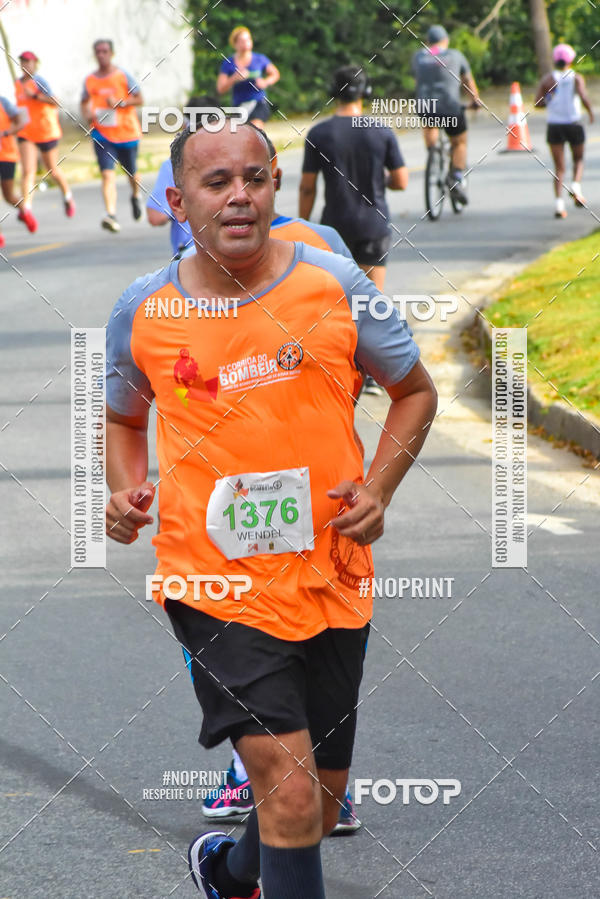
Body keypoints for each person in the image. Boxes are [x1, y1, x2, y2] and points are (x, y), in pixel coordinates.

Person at [105, 118, 437, 899]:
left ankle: (226, 871)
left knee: (315, 805)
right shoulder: (142, 310)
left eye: (253, 178)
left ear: (276, 185)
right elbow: (124, 417)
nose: (239, 196)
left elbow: (415, 392)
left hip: (330, 568)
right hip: (213, 576)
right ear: (179, 202)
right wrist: (124, 490)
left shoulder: (337, 284)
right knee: (287, 791)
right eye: (216, 183)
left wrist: (380, 487)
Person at [199, 132, 360, 836]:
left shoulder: (313, 251)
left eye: (255, 177)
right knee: (252, 626)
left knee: (307, 631)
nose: (242, 194)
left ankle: (286, 784)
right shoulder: (196, 266)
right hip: (245, 490)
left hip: (301, 489)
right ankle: (261, 771)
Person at [299, 64, 408, 395]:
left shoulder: (319, 134)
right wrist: (378, 180)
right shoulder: (381, 131)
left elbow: (307, 188)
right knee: (371, 301)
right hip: (373, 226)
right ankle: (374, 374)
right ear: (366, 93)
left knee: (335, 300)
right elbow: (401, 181)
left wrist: (304, 226)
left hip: (334, 227)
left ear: (333, 93)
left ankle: (335, 366)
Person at [412, 25, 481, 206]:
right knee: (459, 143)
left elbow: (418, 80)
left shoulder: (419, 56)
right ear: (446, 40)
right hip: (450, 107)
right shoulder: (456, 55)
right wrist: (475, 101)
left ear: (428, 42)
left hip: (425, 106)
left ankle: (433, 154)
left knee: (429, 121)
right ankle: (456, 177)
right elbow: (467, 81)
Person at [81, 39, 143, 233]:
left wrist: (120, 102)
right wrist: (87, 114)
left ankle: (135, 196)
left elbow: (139, 98)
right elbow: (84, 102)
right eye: (98, 52)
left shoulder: (122, 75)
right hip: (102, 133)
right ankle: (111, 214)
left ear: (112, 53)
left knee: (131, 173)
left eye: (105, 51)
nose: (101, 55)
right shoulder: (90, 80)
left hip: (126, 133)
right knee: (107, 175)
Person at [146, 96, 219, 259]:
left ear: (187, 125)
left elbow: (156, 217)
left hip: (192, 257)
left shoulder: (174, 165)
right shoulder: (237, 161)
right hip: (235, 252)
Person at [14, 51, 75, 224]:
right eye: (23, 62)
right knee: (28, 171)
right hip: (27, 133)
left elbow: (56, 102)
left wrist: (34, 96)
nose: (25, 65)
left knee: (52, 170)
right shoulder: (18, 84)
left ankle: (67, 196)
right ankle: (26, 209)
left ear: (35, 64)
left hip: (46, 131)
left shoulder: (39, 82)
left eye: (29, 62)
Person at [534, 43, 594, 218]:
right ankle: (576, 187)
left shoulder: (548, 80)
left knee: (559, 168)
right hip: (573, 123)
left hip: (555, 125)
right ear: (571, 60)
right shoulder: (576, 78)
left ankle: (559, 205)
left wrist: (550, 99)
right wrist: (590, 112)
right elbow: (583, 96)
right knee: (578, 159)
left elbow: (537, 103)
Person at [217, 26, 280, 128]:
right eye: (242, 41)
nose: (246, 43)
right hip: (239, 105)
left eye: (248, 39)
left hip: (258, 102)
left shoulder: (260, 59)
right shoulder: (228, 63)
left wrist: (265, 82)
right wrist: (234, 78)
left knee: (254, 129)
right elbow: (220, 89)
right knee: (236, 135)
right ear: (235, 44)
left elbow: (275, 74)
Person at [0, 94, 35, 245]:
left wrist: (7, 133)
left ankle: (25, 211)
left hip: (6, 155)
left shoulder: (4, 102)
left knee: (8, 196)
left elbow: (21, 121)